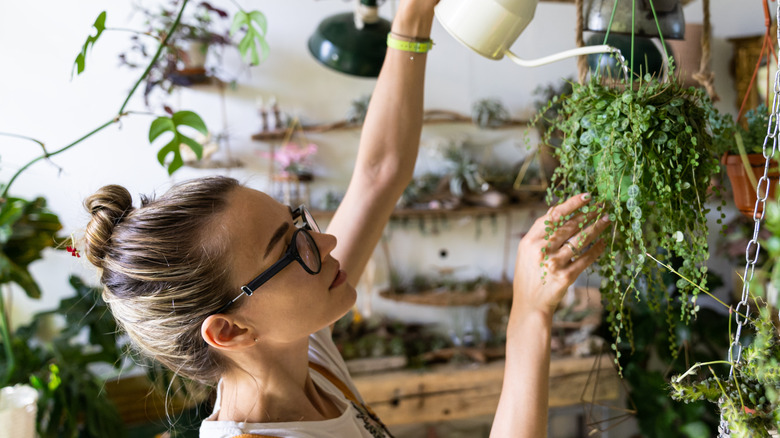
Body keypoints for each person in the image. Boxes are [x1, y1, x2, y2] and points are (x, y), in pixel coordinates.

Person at [82, 0, 610, 437]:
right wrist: (528, 320)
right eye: (291, 250)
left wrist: (412, 17)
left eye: (299, 224)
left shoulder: (299, 351)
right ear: (229, 329)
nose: (327, 241)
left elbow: (379, 173)